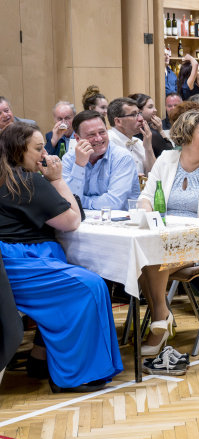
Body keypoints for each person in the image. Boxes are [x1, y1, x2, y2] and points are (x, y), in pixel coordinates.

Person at [0, 121, 122, 392]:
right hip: (19, 263)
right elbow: (72, 220)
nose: (45, 155)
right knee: (90, 286)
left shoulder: (9, 178)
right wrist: (57, 180)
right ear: (19, 151)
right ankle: (74, 375)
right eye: (38, 149)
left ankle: (40, 359)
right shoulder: (27, 181)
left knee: (75, 285)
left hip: (12, 262)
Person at [136, 110, 199, 361]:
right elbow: (146, 196)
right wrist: (148, 212)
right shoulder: (166, 160)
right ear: (187, 134)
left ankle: (160, 319)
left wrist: (184, 229)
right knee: (143, 257)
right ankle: (162, 314)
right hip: (162, 236)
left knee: (153, 260)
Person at [62, 110, 140, 210]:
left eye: (102, 132)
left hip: (118, 218)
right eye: (91, 134)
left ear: (107, 130)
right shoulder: (68, 159)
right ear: (77, 138)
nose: (99, 139)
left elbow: (114, 203)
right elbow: (67, 201)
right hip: (81, 218)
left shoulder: (122, 157)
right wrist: (79, 166)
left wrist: (80, 201)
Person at [107, 96, 157, 176]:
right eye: (134, 115)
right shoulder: (108, 142)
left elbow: (155, 175)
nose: (141, 119)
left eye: (139, 113)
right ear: (118, 121)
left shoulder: (138, 142)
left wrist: (148, 147)